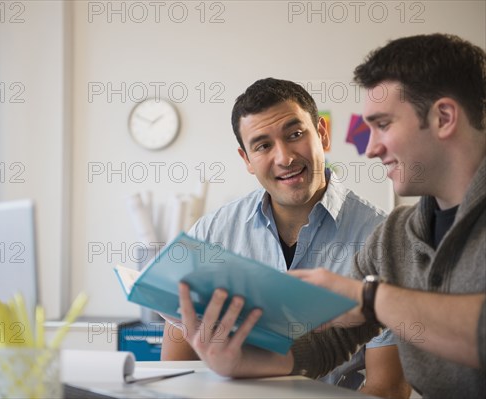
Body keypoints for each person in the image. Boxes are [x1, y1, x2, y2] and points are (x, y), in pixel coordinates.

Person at [177, 34, 486, 398]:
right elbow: (335, 340)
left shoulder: (374, 231)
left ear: (444, 117)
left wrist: (371, 297)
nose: (371, 148)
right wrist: (242, 362)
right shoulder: (395, 237)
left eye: (383, 125)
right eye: (262, 144)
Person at [161, 78, 410, 397]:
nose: (285, 157)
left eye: (295, 135)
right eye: (263, 145)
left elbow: (386, 387)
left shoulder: (383, 238)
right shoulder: (212, 235)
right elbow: (176, 373)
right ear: (246, 160)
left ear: (322, 134)